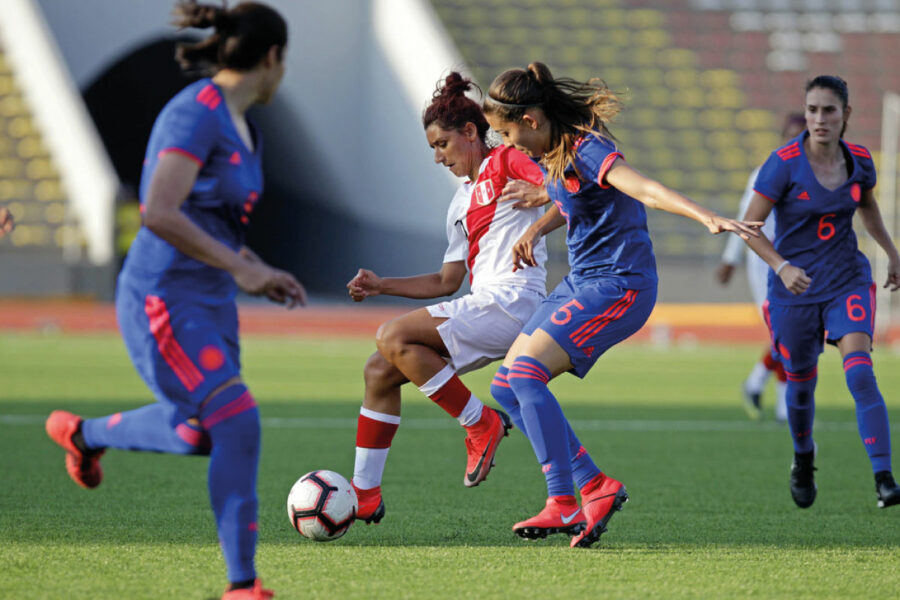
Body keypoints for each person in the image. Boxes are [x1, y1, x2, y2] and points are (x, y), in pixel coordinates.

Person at [44, 3, 303, 598]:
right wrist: (242, 267)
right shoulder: (195, 114)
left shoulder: (247, 129)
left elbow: (216, 225)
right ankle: (243, 584)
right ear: (273, 58)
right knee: (236, 419)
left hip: (210, 302)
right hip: (162, 298)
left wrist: (259, 268)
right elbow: (157, 210)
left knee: (201, 435)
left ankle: (84, 435)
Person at [481, 62, 761, 548]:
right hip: (582, 280)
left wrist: (705, 216)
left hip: (620, 284)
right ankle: (595, 486)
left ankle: (562, 501)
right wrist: (535, 224)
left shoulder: (589, 149)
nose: (506, 146)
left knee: (527, 375)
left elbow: (642, 188)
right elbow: (570, 198)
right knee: (506, 387)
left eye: (506, 134)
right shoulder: (555, 149)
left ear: (531, 119)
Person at [346, 72, 549, 524]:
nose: (438, 157)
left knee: (391, 336)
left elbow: (561, 187)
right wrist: (381, 286)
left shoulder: (508, 160)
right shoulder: (460, 203)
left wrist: (542, 198)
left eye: (442, 144)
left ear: (471, 132)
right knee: (379, 369)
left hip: (514, 301)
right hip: (484, 304)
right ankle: (365, 494)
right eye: (433, 149)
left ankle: (480, 422)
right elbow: (445, 281)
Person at [740, 75, 900, 509]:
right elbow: (749, 228)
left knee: (860, 372)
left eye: (828, 110)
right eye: (812, 109)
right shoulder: (782, 163)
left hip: (846, 278)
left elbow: (866, 206)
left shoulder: (860, 160)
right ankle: (803, 458)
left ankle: (884, 477)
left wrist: (890, 251)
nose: (819, 118)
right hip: (794, 290)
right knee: (801, 386)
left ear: (845, 114)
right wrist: (781, 265)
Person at [717, 113, 806, 422]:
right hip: (765, 263)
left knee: (793, 333)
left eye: (802, 134)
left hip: (801, 261)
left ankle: (759, 383)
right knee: (783, 332)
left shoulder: (817, 173)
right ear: (783, 138)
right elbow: (746, 218)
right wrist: (731, 259)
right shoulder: (765, 173)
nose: (797, 141)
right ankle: (782, 404)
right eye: (792, 135)